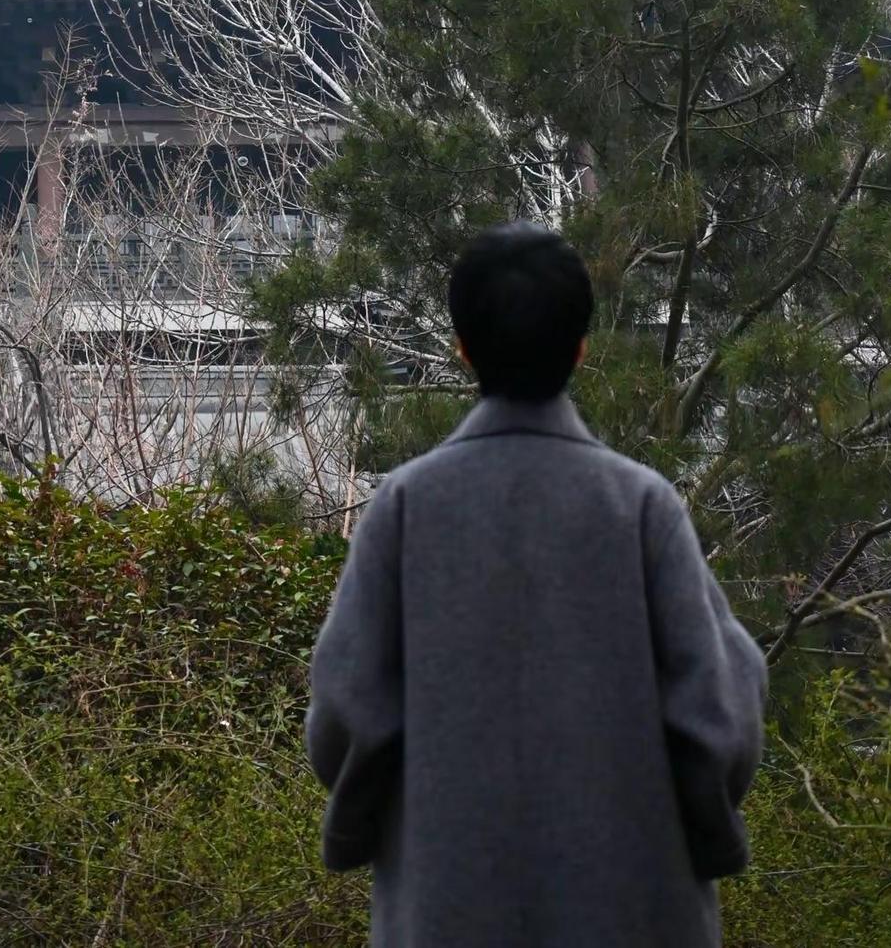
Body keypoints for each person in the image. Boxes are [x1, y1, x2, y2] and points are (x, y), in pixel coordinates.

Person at [306, 222, 767, 948]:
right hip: (635, 909)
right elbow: (718, 713)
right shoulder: (642, 507)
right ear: (582, 346)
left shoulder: (405, 507)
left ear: (462, 347)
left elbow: (348, 710)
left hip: (447, 904)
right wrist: (703, 836)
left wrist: (370, 828)